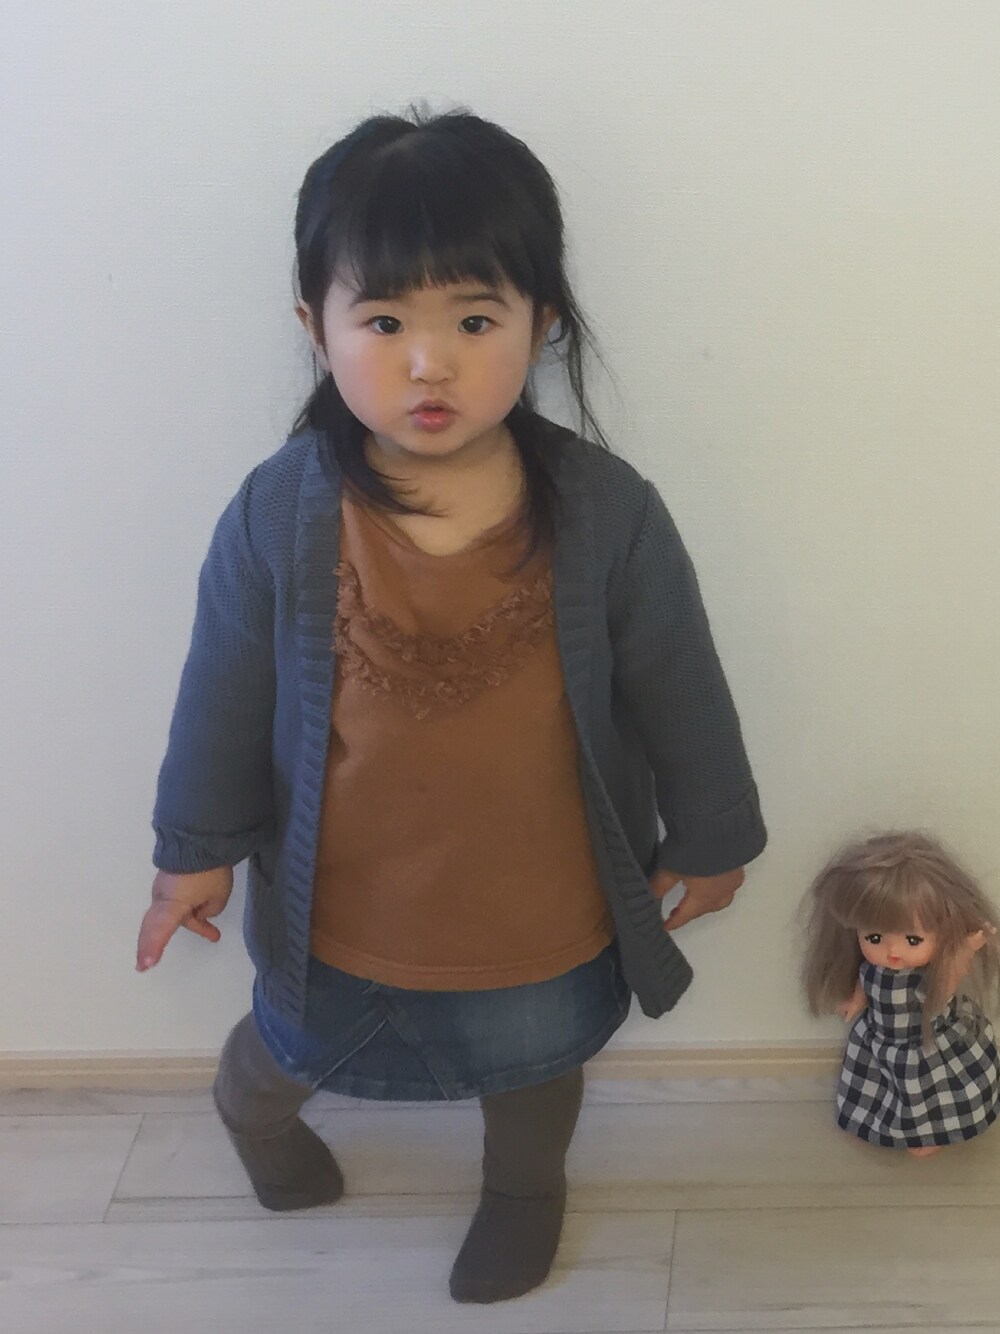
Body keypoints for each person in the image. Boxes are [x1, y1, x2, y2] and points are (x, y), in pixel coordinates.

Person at [137, 107, 766, 1303]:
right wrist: (193, 852)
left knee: (534, 1061)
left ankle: (525, 1188)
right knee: (287, 1042)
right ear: (315, 328)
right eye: (383, 322)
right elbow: (221, 690)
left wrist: (713, 836)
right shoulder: (279, 510)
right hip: (346, 897)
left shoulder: (607, 511)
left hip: (541, 892)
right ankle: (251, 1115)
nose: (429, 363)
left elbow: (678, 680)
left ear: (542, 322)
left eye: (474, 321)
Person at [801, 830, 1000, 1157]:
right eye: (874, 938)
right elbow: (865, 983)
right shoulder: (872, 969)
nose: (892, 952)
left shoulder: (929, 979)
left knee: (924, 1092)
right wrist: (855, 1002)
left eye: (912, 940)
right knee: (879, 1088)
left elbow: (946, 987)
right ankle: (870, 1120)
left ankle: (931, 1131)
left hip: (923, 1045)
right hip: (880, 1040)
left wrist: (963, 952)